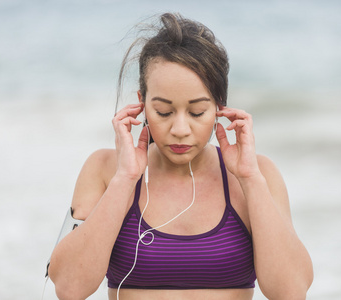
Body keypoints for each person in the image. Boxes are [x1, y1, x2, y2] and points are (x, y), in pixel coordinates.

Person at [47, 12, 313, 300]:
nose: (180, 129)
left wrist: (250, 179)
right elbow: (68, 288)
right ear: (141, 104)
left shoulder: (258, 174)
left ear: (219, 107)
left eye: (197, 112)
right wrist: (125, 179)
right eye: (163, 112)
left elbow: (291, 291)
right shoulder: (104, 169)